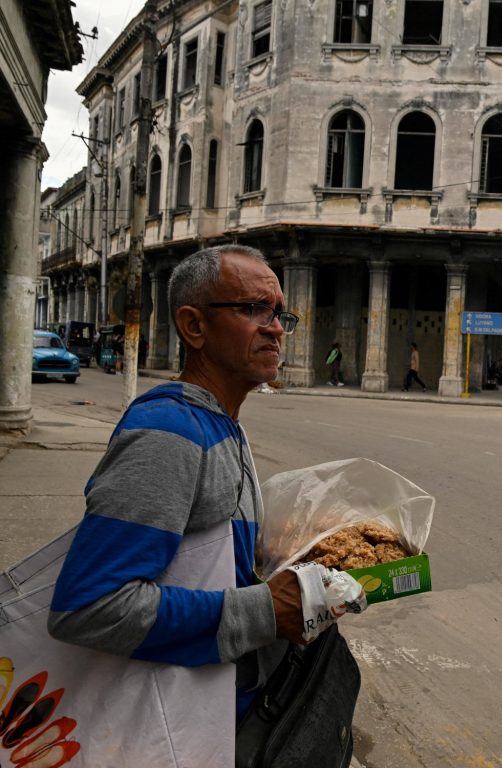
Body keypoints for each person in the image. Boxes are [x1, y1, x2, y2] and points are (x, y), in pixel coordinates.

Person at [48, 245, 333, 729]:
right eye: (252, 309)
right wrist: (264, 611)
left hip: (217, 717)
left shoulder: (220, 422)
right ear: (194, 326)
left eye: (280, 313)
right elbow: (89, 607)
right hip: (169, 730)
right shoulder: (168, 432)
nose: (276, 327)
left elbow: (203, 558)